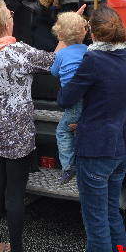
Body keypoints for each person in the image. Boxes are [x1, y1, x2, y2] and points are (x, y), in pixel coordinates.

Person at [0, 0, 61, 252]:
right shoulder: (18, 52)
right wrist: (67, 33)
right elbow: (54, 61)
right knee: (14, 193)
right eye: (9, 13)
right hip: (17, 130)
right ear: (6, 23)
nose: (12, 15)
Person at [57, 5, 126, 252]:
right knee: (111, 213)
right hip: (123, 149)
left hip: (97, 150)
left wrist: (62, 52)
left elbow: (65, 99)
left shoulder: (94, 61)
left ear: (92, 34)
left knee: (96, 225)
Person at [50, 12, 89, 184]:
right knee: (78, 126)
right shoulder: (89, 51)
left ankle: (68, 167)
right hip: (89, 97)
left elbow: (53, 72)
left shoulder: (61, 55)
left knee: (63, 131)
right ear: (84, 32)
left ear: (60, 35)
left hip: (72, 101)